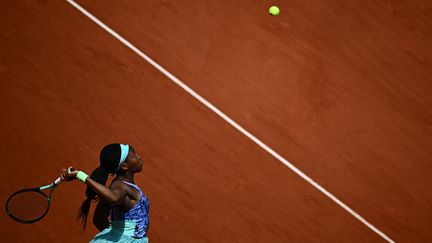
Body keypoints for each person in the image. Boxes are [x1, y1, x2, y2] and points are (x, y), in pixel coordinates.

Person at [61, 143, 150, 242]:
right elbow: (113, 198)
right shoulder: (120, 187)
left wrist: (115, 236)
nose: (139, 157)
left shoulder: (116, 186)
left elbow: (99, 219)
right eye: (133, 155)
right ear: (124, 166)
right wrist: (80, 175)